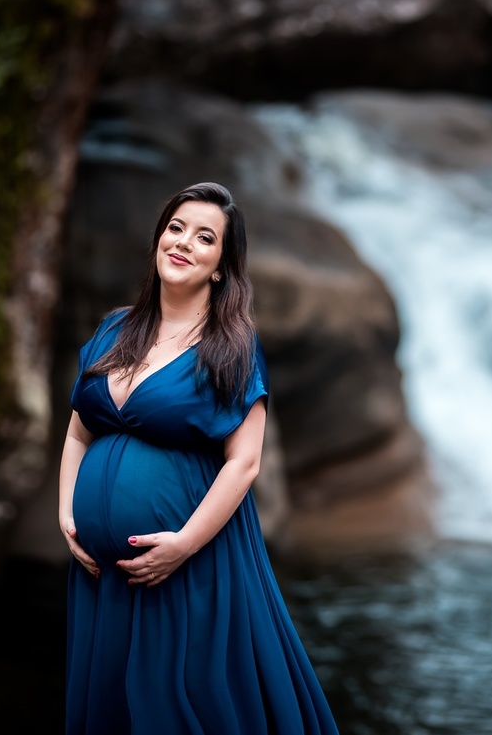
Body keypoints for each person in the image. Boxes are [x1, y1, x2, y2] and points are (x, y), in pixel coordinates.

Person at [58, 181, 339, 734]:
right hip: (101, 571)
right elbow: (76, 434)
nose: (183, 242)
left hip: (187, 560)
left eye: (204, 237)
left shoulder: (231, 344)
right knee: (111, 699)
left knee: (187, 700)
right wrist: (67, 513)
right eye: (176, 228)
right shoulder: (115, 328)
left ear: (220, 265)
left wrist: (184, 544)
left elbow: (245, 462)